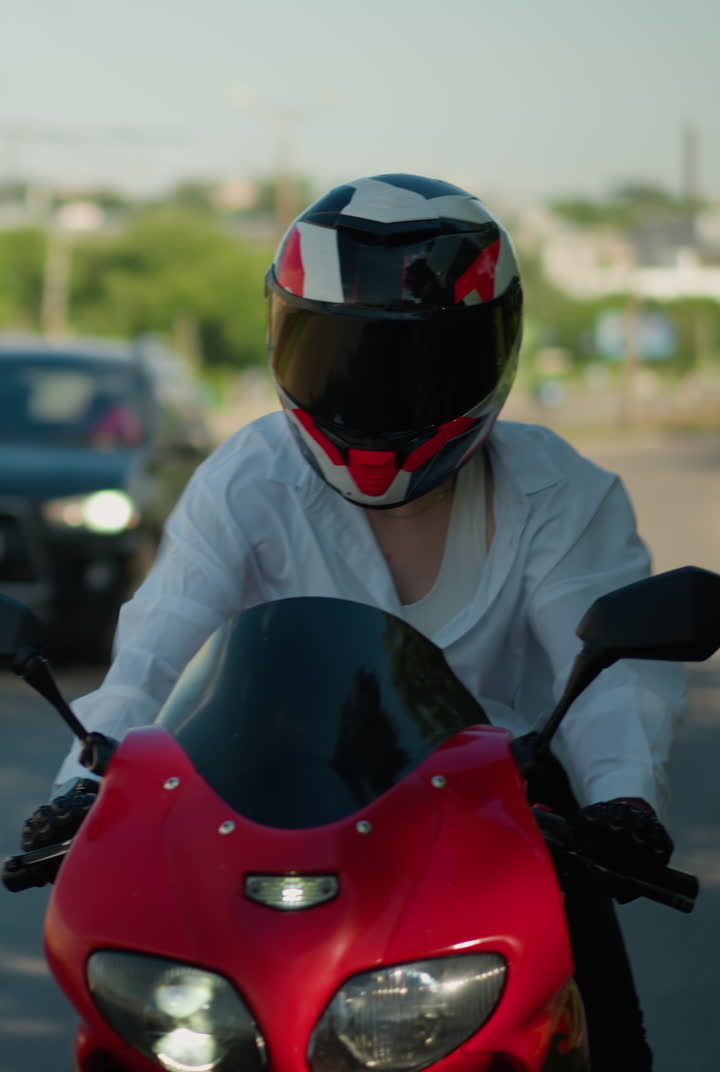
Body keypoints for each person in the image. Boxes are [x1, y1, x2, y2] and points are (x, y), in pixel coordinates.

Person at [23, 173, 683, 1068]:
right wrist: (83, 784)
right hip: (267, 821)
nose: (375, 392)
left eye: (418, 363)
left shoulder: (559, 490)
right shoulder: (249, 476)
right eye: (340, 358)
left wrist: (621, 796)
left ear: (495, 349)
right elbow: (151, 658)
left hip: (506, 835)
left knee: (605, 1036)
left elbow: (610, 673)